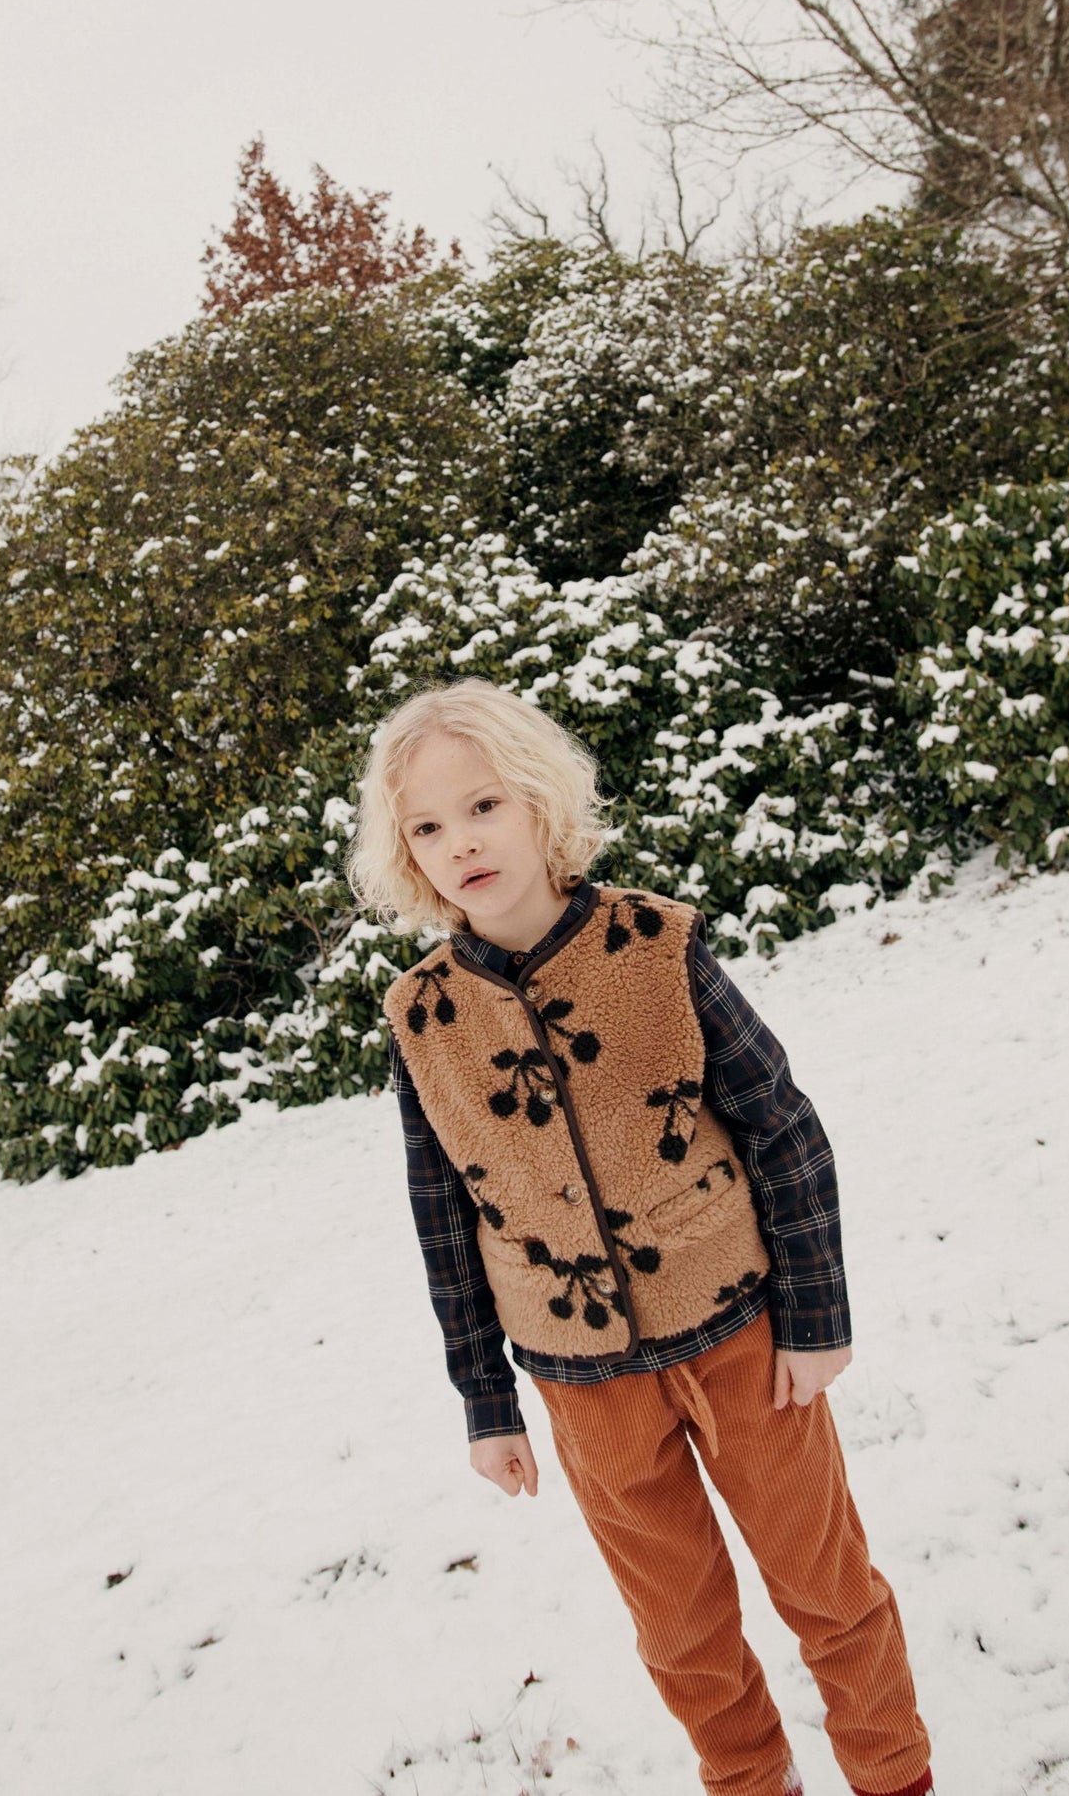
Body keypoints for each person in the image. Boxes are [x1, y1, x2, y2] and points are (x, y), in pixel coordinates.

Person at [346, 675, 935, 1796]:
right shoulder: (421, 1015)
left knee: (825, 1588)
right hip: (583, 1383)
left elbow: (783, 1128)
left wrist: (814, 1318)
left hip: (744, 1342)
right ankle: (749, 1782)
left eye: (482, 806)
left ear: (538, 801)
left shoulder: (653, 945)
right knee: (681, 1631)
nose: (459, 842)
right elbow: (443, 1221)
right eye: (425, 827)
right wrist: (485, 1401)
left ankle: (893, 1775)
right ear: (403, 853)